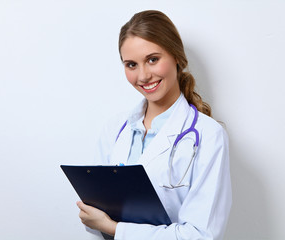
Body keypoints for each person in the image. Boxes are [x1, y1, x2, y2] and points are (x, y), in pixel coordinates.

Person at [76, 10, 232, 240]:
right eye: (131, 65)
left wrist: (116, 229)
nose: (143, 76)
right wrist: (93, 218)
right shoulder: (115, 129)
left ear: (176, 57)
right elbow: (96, 213)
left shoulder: (208, 135)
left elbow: (200, 235)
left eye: (152, 59)